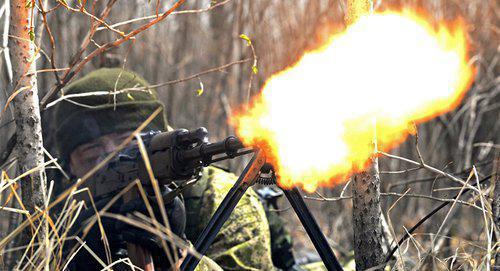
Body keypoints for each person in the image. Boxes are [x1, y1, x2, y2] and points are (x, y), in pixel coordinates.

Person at [49, 68, 277, 270]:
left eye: (128, 144)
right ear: (70, 167)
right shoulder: (53, 207)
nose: (111, 159)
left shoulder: (221, 198)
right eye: (92, 154)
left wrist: (177, 257)